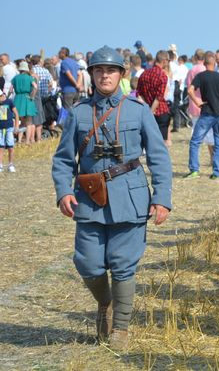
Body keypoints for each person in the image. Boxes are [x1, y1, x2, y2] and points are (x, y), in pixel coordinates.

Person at [51, 45, 172, 351]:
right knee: (88, 263)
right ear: (91, 74)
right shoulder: (78, 113)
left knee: (123, 265)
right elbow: (64, 159)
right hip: (89, 200)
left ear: (121, 75)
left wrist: (162, 197)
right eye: (99, 70)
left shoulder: (138, 111)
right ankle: (105, 302)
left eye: (111, 70)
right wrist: (64, 191)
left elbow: (159, 157)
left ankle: (120, 327)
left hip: (130, 198)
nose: (105, 76)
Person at [185, 51, 219, 179]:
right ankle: (217, 173)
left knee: (195, 141)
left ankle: (194, 170)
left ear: (204, 63)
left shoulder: (201, 76)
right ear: (214, 64)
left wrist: (197, 101)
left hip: (207, 112)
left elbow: (190, 90)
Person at [137, 50, 171, 143]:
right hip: (160, 112)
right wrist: (151, 112)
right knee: (162, 143)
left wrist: (147, 110)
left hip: (147, 111)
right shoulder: (162, 76)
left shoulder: (143, 74)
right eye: (168, 61)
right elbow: (158, 98)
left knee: (150, 142)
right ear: (164, 61)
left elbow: (139, 95)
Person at [11, 61, 37, 144]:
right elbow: (35, 87)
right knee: (28, 122)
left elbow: (10, 90)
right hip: (27, 99)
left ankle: (19, 140)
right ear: (26, 69)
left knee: (21, 121)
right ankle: (27, 141)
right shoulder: (29, 78)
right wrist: (32, 96)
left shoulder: (15, 78)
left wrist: (7, 97)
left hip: (18, 99)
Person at [0, 88, 20, 172]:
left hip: (9, 127)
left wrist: (16, 126)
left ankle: (10, 164)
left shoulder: (9, 102)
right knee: (0, 147)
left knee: (10, 147)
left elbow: (16, 114)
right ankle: (0, 165)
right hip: (0, 128)